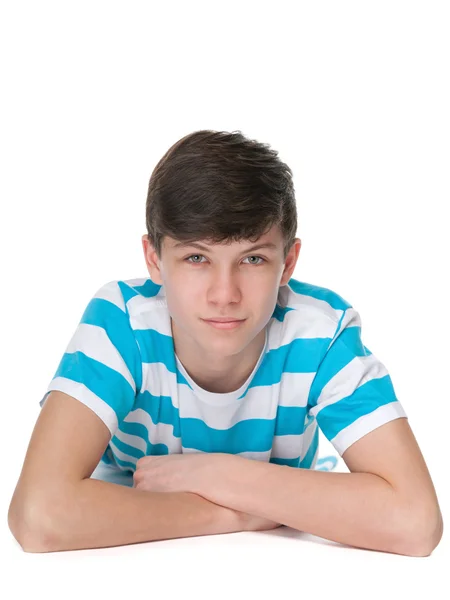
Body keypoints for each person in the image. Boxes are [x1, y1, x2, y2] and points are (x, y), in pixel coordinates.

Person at [11, 129, 429, 554]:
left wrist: (218, 476)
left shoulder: (320, 333)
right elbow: (38, 515)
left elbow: (415, 522)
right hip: (140, 528)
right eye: (197, 258)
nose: (224, 294)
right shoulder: (123, 323)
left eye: (252, 259)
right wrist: (235, 514)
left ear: (288, 263)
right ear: (154, 260)